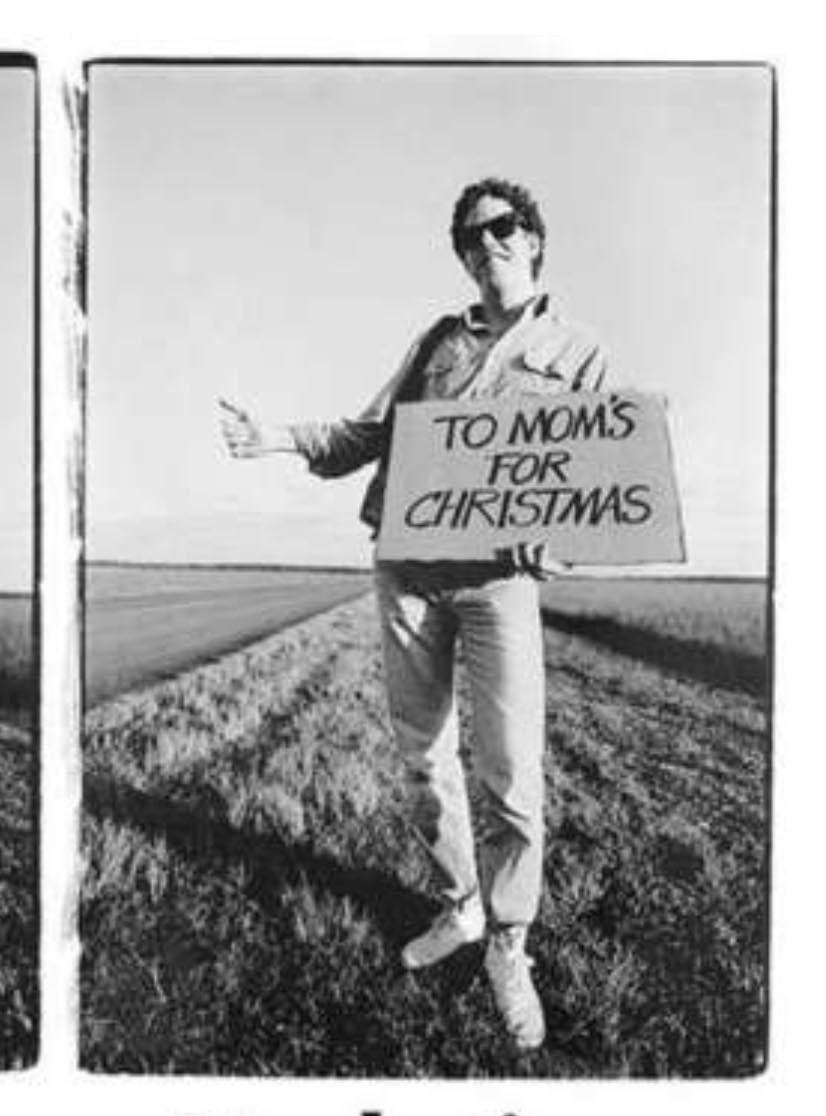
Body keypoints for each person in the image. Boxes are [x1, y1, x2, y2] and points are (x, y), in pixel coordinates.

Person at [219, 177, 608, 1051]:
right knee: (423, 760)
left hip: (498, 583)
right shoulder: (438, 340)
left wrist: (558, 544)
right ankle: (460, 907)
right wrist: (275, 437)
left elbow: (592, 487)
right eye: (470, 238)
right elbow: (369, 433)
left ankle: (510, 943)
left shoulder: (579, 353)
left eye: (503, 228)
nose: (486, 246)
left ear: (536, 239)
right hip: (407, 571)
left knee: (510, 772)